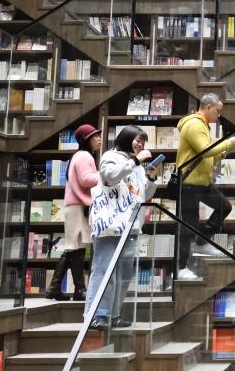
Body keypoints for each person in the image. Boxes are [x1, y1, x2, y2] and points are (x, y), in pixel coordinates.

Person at [85, 126, 157, 330]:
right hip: (110, 225)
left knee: (124, 273)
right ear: (125, 138)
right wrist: (135, 161)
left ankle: (114, 314)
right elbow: (110, 177)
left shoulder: (138, 166)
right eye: (137, 140)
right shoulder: (111, 156)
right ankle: (97, 314)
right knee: (104, 269)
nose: (140, 144)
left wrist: (151, 178)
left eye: (143, 141)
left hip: (131, 226)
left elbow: (145, 194)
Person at [174, 93, 235, 281]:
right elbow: (205, 151)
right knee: (189, 225)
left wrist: (221, 154)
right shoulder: (194, 124)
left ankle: (202, 241)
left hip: (201, 182)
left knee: (224, 206)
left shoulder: (202, 125)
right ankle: (180, 268)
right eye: (217, 111)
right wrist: (228, 143)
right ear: (208, 107)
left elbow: (205, 152)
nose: (218, 115)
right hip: (189, 183)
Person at [45, 124, 101, 302]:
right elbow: (86, 180)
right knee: (74, 249)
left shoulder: (77, 156)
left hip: (74, 205)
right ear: (86, 140)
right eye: (95, 137)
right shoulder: (85, 156)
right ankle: (78, 290)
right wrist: (105, 175)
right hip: (77, 205)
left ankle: (58, 288)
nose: (99, 139)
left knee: (74, 248)